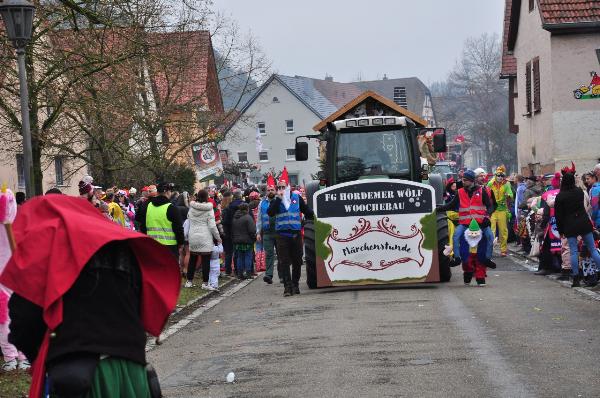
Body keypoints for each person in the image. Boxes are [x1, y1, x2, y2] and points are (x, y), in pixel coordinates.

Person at [2, 195, 179, 398]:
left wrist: (41, 356)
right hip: (133, 371)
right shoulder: (120, 247)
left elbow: (24, 320)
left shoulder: (46, 254)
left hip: (82, 376)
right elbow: (141, 304)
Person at [268, 172, 314, 296]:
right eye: (279, 187)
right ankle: (287, 287)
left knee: (297, 261)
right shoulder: (276, 200)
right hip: (282, 236)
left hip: (296, 234)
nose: (282, 189)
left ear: (288, 187)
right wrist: (278, 198)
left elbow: (308, 212)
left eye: (284, 187)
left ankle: (295, 285)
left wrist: (316, 215)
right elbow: (270, 213)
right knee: (284, 262)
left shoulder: (296, 198)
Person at [438, 169, 495, 268]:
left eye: (465, 180)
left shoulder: (482, 191)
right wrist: (438, 208)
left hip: (480, 223)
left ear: (472, 181)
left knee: (490, 237)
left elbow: (490, 206)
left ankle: (487, 259)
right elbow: (451, 205)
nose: (462, 182)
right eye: (462, 180)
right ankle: (457, 258)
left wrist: (487, 216)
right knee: (456, 236)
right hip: (465, 223)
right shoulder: (459, 192)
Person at [555, 164, 600, 287]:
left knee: (574, 251)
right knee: (593, 249)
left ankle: (575, 278)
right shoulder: (579, 191)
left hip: (570, 225)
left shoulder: (560, 196)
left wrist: (560, 230)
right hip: (583, 222)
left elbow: (559, 216)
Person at [136, 182, 184, 259]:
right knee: (169, 270)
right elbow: (178, 229)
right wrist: (181, 243)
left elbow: (142, 225)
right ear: (167, 192)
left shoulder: (148, 206)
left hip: (152, 245)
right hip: (169, 247)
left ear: (157, 192)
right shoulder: (172, 208)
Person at [186, 190, 221, 289]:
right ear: (207, 197)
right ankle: (205, 283)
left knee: (192, 259)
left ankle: (189, 281)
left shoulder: (192, 208)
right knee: (206, 261)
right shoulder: (209, 209)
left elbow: (188, 218)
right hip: (205, 237)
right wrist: (218, 238)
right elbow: (212, 226)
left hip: (193, 236)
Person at [257, 176, 279, 284]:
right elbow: (259, 219)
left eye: (272, 190)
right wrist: (258, 232)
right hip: (266, 232)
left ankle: (283, 276)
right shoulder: (262, 203)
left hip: (279, 231)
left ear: (275, 191)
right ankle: (269, 275)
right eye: (268, 190)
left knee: (281, 255)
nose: (270, 191)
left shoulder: (279, 201)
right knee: (269, 254)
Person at [487, 166, 513, 256]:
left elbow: (510, 194)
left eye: (502, 176)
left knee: (503, 231)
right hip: (493, 210)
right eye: (498, 175)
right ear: (495, 175)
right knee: (491, 230)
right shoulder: (490, 183)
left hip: (502, 210)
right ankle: (490, 249)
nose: (500, 177)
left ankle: (503, 249)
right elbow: (486, 194)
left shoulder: (506, 184)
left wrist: (508, 195)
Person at [232, 203, 257, 280]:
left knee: (240, 257)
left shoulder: (235, 218)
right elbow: (252, 230)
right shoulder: (248, 218)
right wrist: (254, 238)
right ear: (247, 209)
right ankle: (248, 273)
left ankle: (240, 274)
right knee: (248, 257)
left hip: (237, 241)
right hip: (247, 240)